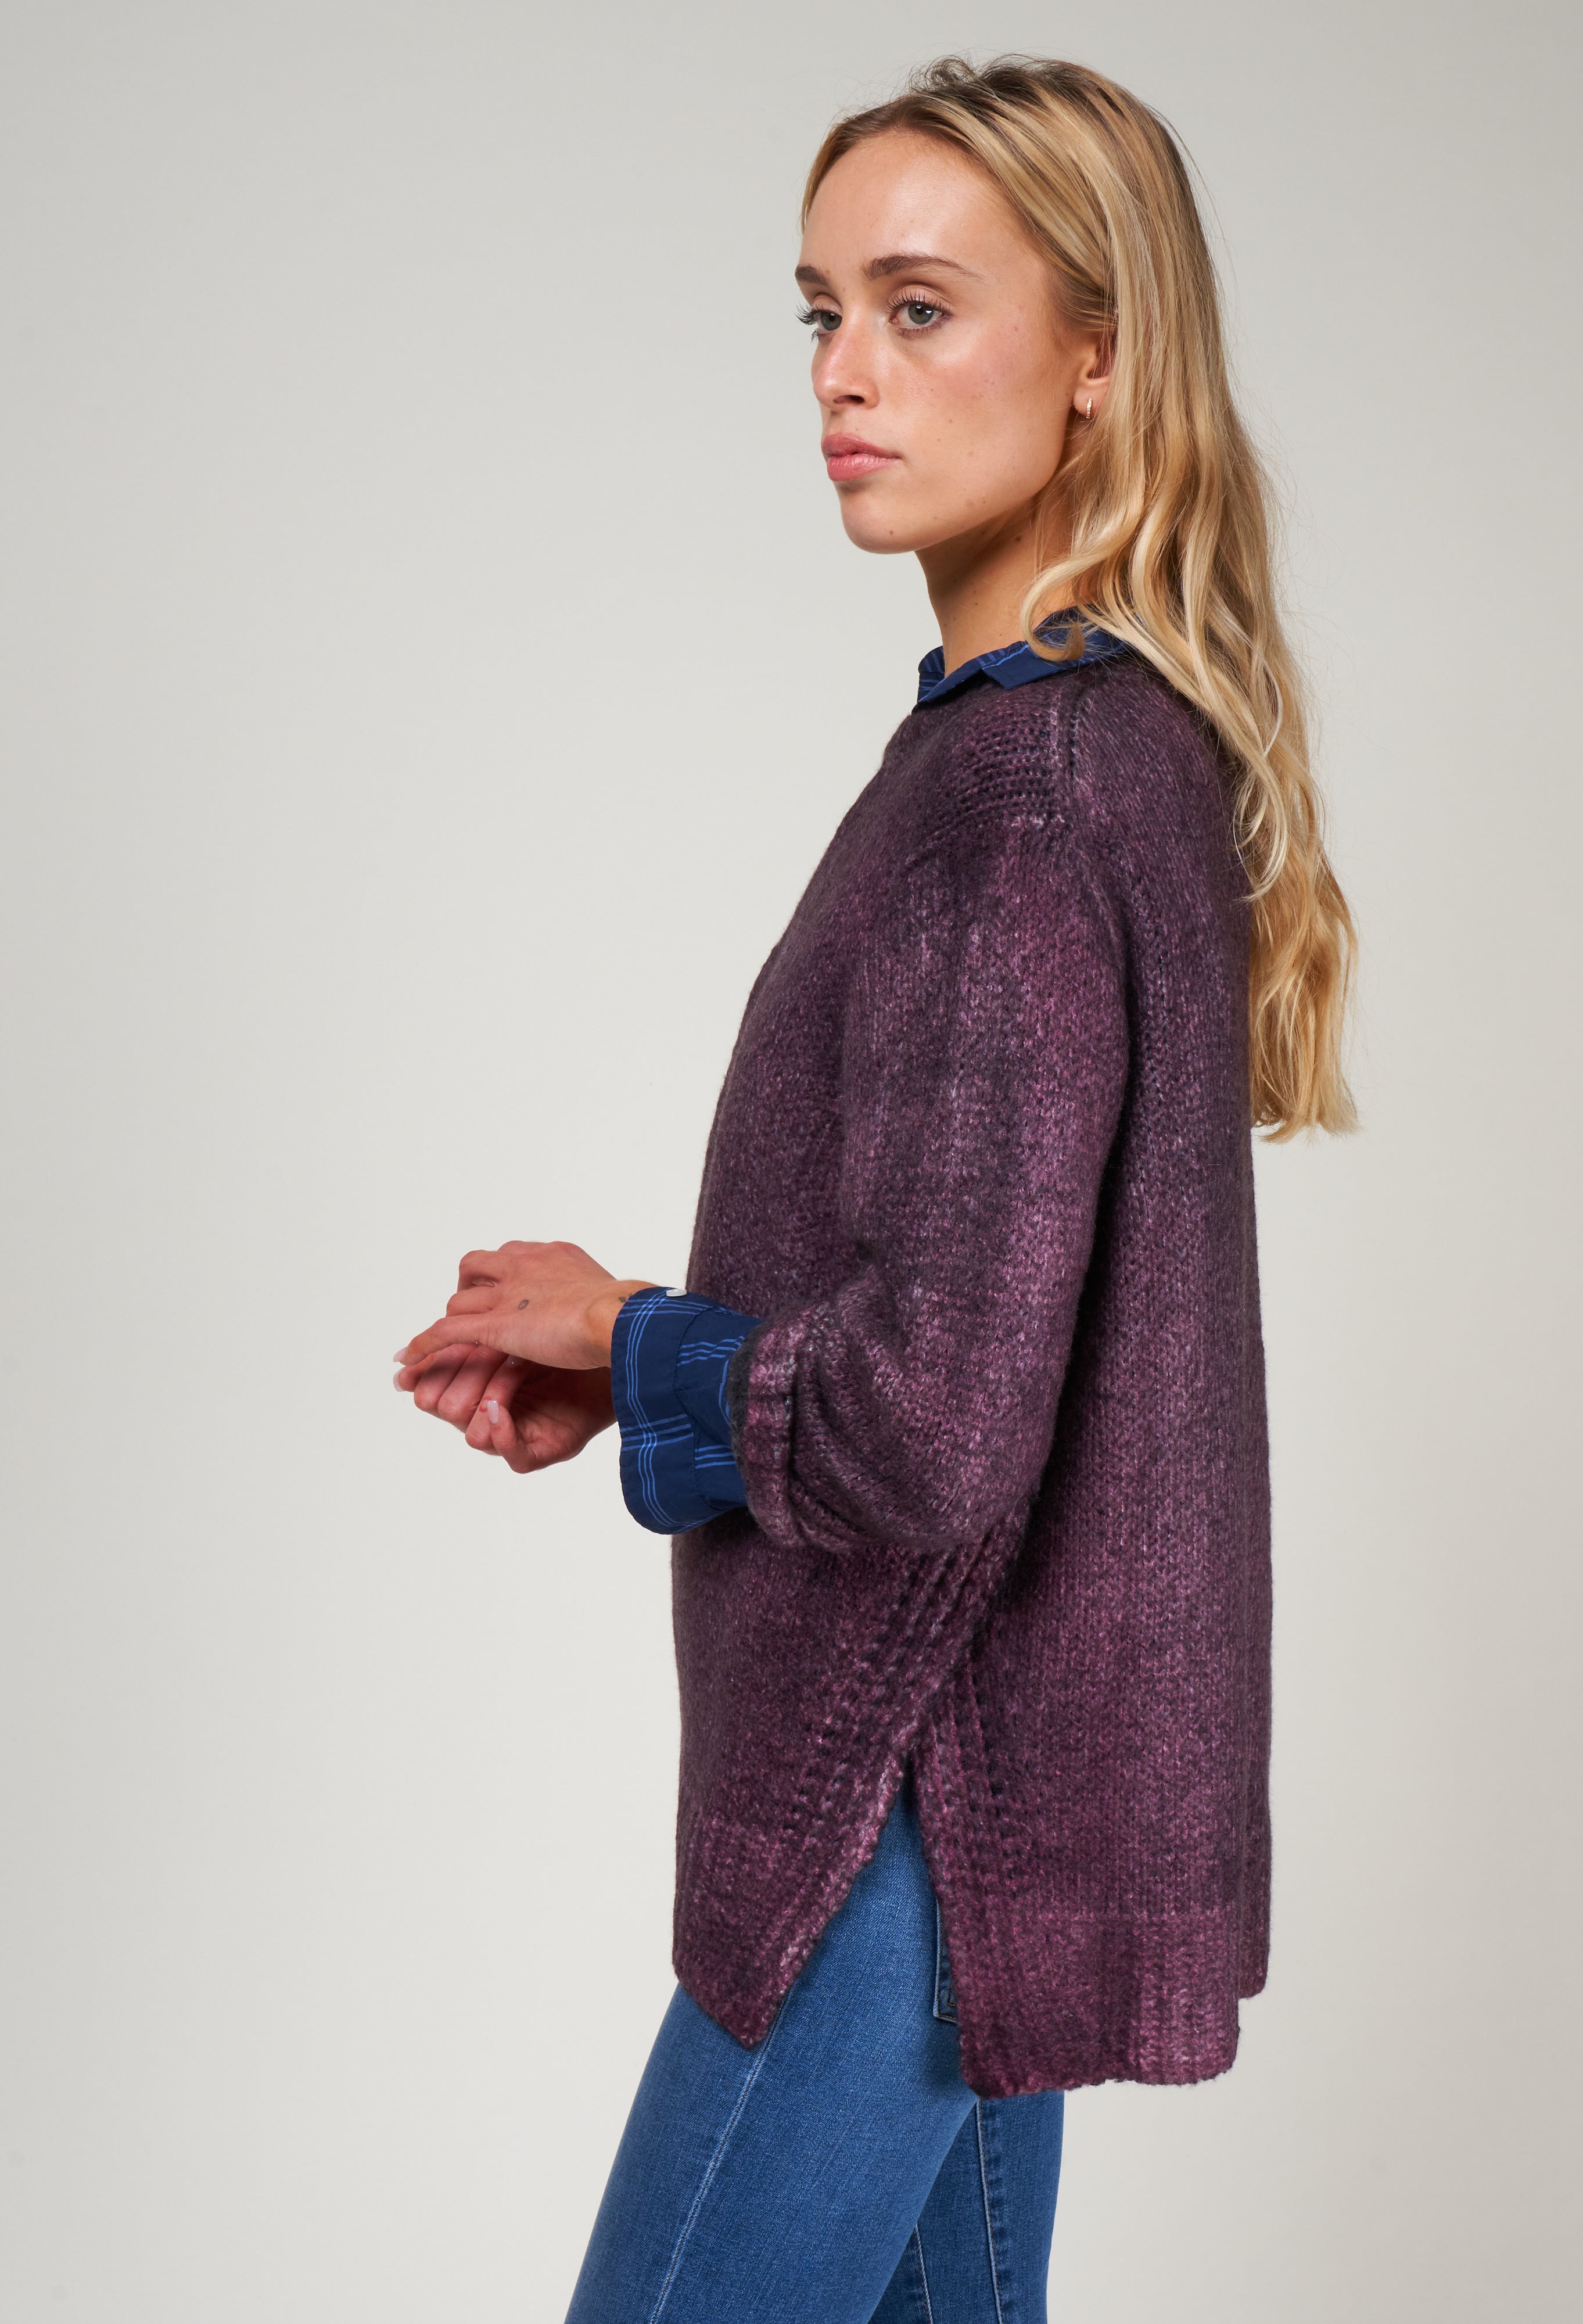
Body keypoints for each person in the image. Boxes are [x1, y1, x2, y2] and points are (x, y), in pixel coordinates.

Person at [392, 53, 1355, 2324]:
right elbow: (977, 1341)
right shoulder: (1096, 749)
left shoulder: (1017, 797)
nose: (842, 373)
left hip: (904, 1800)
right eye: (820, 312)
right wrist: (650, 1375)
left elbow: (932, 1425)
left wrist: (636, 1336)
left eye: (918, 309)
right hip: (990, 1795)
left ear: (1098, 354)